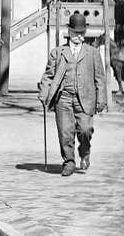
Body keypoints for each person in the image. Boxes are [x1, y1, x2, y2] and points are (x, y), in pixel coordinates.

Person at [37, 13, 107, 176]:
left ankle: (84, 151)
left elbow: (100, 78)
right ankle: (69, 162)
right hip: (64, 98)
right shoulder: (58, 52)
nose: (79, 36)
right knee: (65, 132)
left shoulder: (92, 52)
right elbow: (49, 75)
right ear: (69, 32)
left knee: (85, 129)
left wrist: (101, 99)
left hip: (86, 98)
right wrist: (43, 93)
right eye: (76, 33)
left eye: (82, 33)